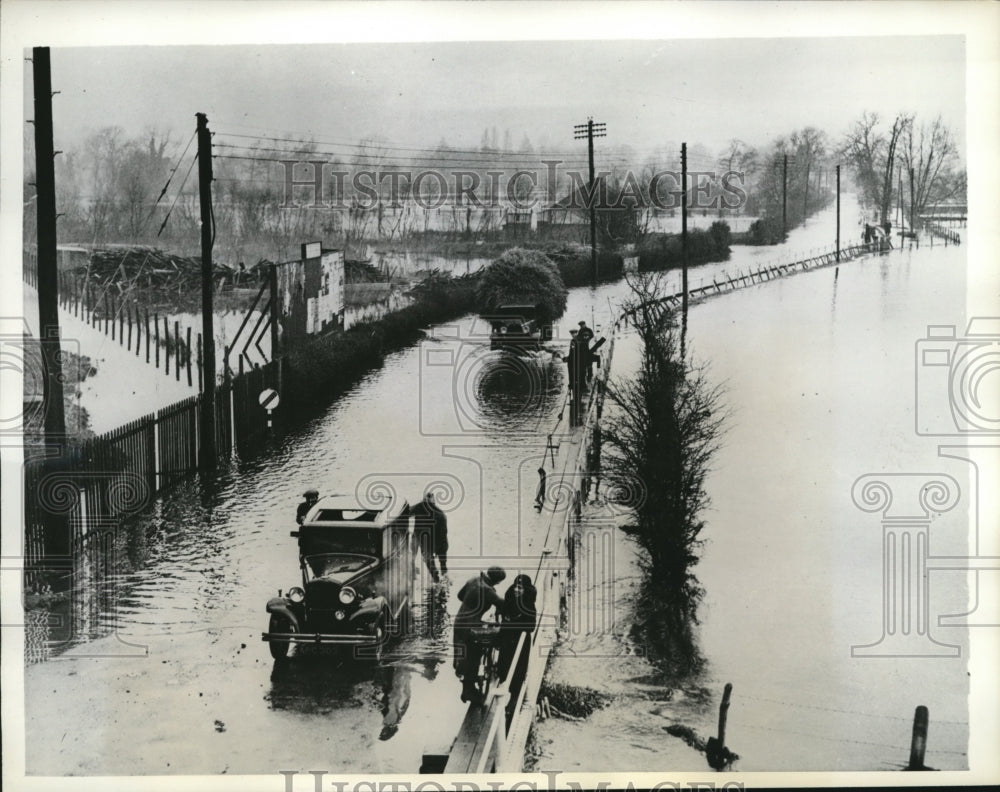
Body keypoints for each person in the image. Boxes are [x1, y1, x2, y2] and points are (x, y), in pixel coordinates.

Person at [453, 566, 506, 703]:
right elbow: (503, 604)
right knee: (476, 651)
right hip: (470, 627)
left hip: (461, 622)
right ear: (496, 581)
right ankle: (469, 690)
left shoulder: (474, 579)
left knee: (467, 654)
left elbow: (460, 596)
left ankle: (468, 684)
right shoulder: (487, 590)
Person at [498, 574, 537, 684]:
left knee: (518, 670)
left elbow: (531, 627)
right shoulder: (510, 600)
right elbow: (504, 618)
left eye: (520, 588)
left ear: (526, 590)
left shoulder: (529, 605)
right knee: (503, 668)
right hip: (506, 639)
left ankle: (514, 695)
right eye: (515, 586)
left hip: (520, 640)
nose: (516, 590)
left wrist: (512, 624)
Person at [411, 492, 448, 582]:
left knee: (421, 556)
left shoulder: (418, 507)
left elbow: (406, 513)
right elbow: (444, 534)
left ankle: (436, 577)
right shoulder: (441, 514)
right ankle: (441, 575)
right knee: (437, 558)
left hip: (425, 538)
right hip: (428, 538)